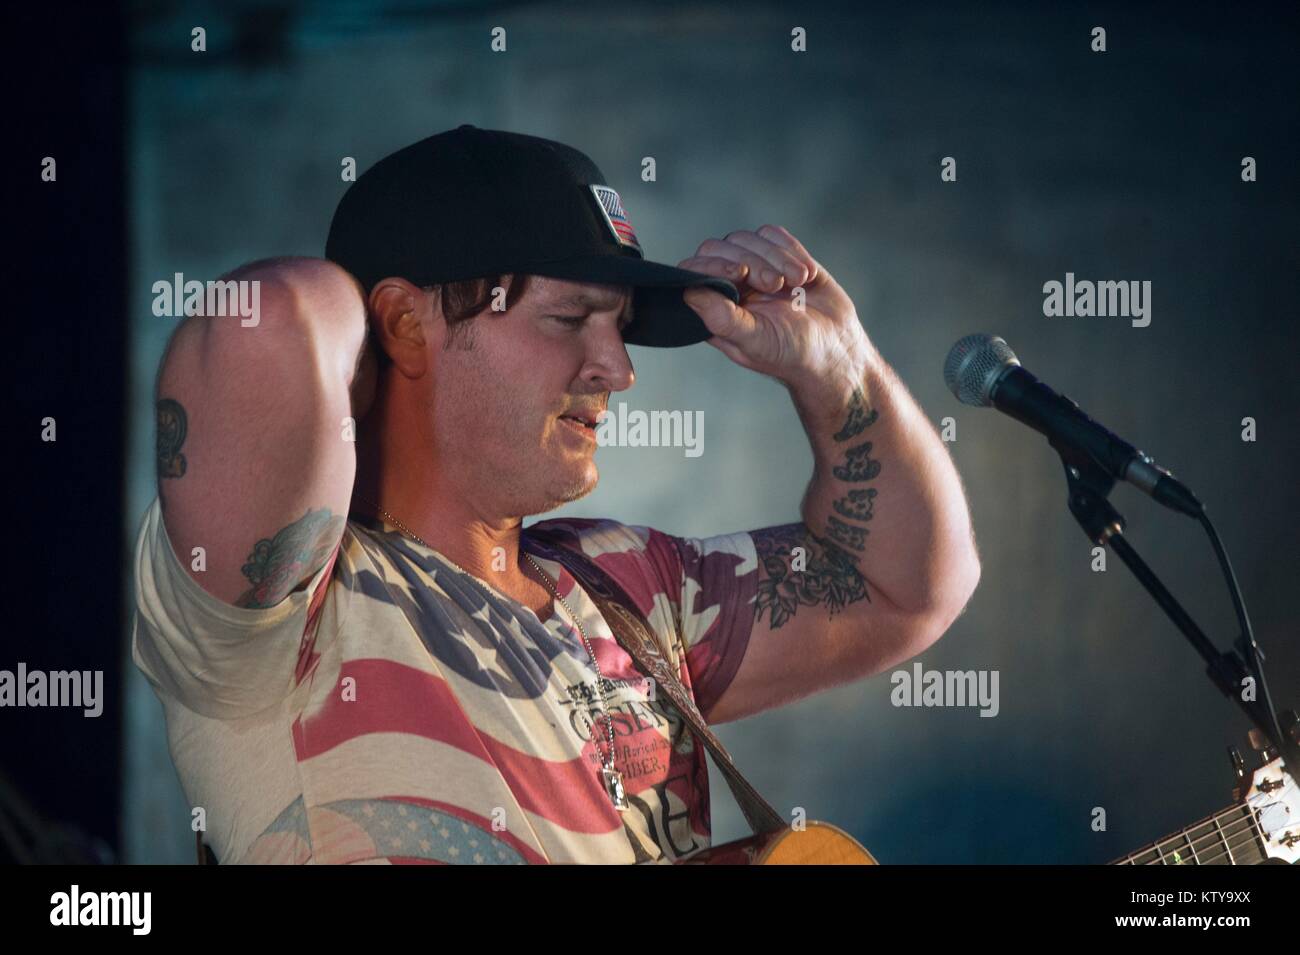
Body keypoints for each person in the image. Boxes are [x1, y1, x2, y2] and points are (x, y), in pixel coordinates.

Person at [132, 125, 980, 864]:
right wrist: (382, 308)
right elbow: (262, 323)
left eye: (618, 324)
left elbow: (906, 581)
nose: (619, 369)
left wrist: (840, 372)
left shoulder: (625, 585)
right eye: (570, 319)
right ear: (400, 324)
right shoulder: (285, 616)